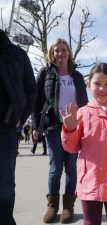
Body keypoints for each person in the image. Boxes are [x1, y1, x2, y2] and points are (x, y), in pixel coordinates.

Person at [61, 62, 107, 225]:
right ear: (88, 85)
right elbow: (71, 147)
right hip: (90, 180)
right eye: (97, 83)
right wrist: (69, 130)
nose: (102, 88)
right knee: (90, 221)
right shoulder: (82, 112)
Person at [31, 38, 88, 223]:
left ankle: (68, 207)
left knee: (71, 168)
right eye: (57, 50)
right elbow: (36, 101)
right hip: (53, 126)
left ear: (69, 53)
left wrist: (87, 125)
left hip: (75, 127)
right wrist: (35, 125)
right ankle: (52, 206)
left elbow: (85, 104)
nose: (60, 53)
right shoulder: (45, 73)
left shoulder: (77, 76)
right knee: (56, 169)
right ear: (52, 53)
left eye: (63, 50)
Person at [0, 28, 37, 225]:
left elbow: (31, 90)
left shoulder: (17, 54)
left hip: (5, 128)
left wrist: (19, 118)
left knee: (4, 185)